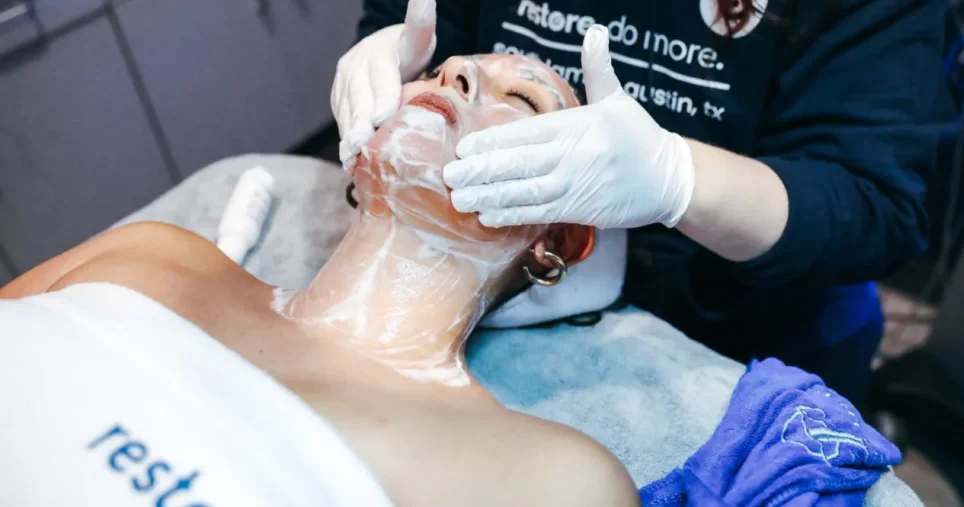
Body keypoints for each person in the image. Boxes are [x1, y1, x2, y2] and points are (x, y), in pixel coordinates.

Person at [331, 0, 950, 404]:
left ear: (568, 245)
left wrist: (679, 179)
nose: (457, 76)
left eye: (523, 99)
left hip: (746, 352)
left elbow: (873, 205)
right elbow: (414, 11)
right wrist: (393, 61)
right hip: (506, 308)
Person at [0, 44, 639, 507]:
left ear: (555, 241)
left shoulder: (547, 478)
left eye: (522, 99)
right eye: (440, 71)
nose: (457, 73)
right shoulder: (150, 252)